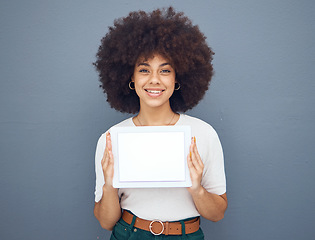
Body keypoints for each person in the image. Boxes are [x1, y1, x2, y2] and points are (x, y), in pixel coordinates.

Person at [93, 7, 227, 239]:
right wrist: (109, 184)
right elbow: (106, 223)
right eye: (144, 70)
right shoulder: (111, 139)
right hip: (129, 234)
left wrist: (196, 188)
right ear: (131, 78)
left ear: (177, 79)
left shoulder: (203, 134)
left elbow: (217, 214)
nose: (154, 79)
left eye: (165, 70)